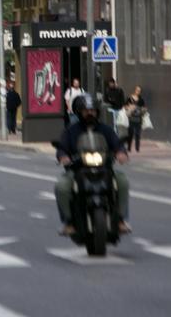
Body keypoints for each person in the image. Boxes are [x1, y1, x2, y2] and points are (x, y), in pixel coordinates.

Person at [54, 95, 131, 235]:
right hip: (77, 169)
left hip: (104, 168)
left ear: (97, 112)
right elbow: (62, 148)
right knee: (61, 187)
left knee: (122, 181)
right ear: (79, 112)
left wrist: (121, 153)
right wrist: (63, 156)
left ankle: (120, 220)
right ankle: (69, 221)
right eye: (86, 110)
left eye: (92, 110)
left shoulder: (106, 130)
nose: (90, 113)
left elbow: (117, 144)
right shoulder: (71, 131)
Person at [125, 85, 146, 152]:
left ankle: (137, 148)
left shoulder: (141, 100)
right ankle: (129, 148)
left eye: (139, 91)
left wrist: (142, 110)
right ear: (135, 90)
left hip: (138, 119)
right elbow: (125, 106)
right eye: (137, 90)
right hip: (131, 118)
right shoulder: (129, 98)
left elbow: (144, 108)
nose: (138, 92)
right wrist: (130, 107)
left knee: (137, 134)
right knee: (130, 134)